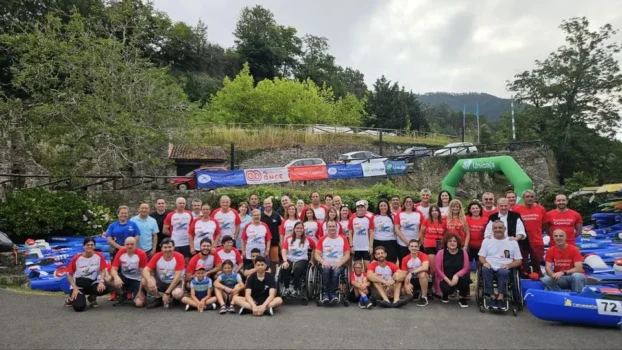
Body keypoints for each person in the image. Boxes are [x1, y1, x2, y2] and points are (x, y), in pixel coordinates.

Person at [478, 220, 522, 310]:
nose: (498, 230)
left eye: (500, 228)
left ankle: (501, 296)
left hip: (505, 268)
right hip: (490, 267)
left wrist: (509, 265)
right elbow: (481, 257)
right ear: (492, 229)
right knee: (485, 269)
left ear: (505, 229)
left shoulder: (512, 242)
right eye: (495, 228)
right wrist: (485, 263)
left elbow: (518, 261)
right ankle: (492, 296)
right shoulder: (487, 241)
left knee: (503, 271)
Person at [64, 237, 110, 311]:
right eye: (87, 245)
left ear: (94, 246)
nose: (90, 246)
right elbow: (69, 274)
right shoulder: (77, 258)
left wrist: (101, 281)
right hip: (79, 285)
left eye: (92, 245)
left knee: (106, 287)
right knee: (79, 307)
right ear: (83, 246)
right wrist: (75, 288)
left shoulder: (99, 256)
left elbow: (103, 270)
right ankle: (71, 299)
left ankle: (92, 297)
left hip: (92, 283)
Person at [142, 238, 185, 309]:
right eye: (165, 247)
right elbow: (145, 270)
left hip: (175, 282)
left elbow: (177, 277)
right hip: (161, 282)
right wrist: (149, 281)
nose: (167, 249)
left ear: (174, 247)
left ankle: (173, 298)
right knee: (144, 281)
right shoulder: (157, 256)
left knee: (178, 294)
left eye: (170, 247)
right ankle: (158, 298)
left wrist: (167, 292)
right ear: (161, 248)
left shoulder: (179, 256)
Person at [315, 221, 351, 304]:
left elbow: (347, 254)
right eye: (330, 227)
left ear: (337, 227)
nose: (332, 228)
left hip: (338, 264)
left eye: (333, 226)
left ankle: (333, 293)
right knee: (326, 271)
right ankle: (325, 293)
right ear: (327, 228)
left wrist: (340, 262)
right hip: (326, 264)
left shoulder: (343, 238)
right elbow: (317, 254)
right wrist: (322, 261)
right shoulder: (322, 239)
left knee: (336, 272)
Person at [514, 190, 547, 276]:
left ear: (534, 198)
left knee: (537, 263)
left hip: (537, 240)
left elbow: (545, 224)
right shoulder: (517, 209)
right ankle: (524, 279)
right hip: (522, 241)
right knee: (523, 263)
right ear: (523, 198)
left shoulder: (541, 209)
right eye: (527, 197)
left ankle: (538, 280)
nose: (530, 198)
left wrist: (538, 232)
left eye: (532, 196)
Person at [109, 237, 148, 307]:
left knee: (139, 304)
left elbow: (143, 274)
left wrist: (140, 291)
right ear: (124, 244)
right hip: (125, 277)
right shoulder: (121, 252)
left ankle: (137, 294)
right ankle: (122, 294)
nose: (129, 246)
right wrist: (116, 277)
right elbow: (113, 269)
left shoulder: (141, 254)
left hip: (137, 279)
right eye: (127, 244)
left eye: (132, 244)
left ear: (136, 244)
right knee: (109, 278)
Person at [435, 234, 471, 307]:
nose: (452, 243)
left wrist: (457, 275)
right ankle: (445, 294)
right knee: (447, 289)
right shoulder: (441, 252)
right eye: (450, 241)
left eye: (454, 241)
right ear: (446, 243)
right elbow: (438, 269)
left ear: (458, 243)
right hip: (446, 277)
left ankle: (462, 298)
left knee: (465, 279)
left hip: (459, 277)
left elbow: (466, 267)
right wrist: (448, 281)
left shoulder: (463, 252)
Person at [281, 222, 315, 297]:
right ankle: (287, 288)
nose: (299, 230)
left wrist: (312, 259)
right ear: (294, 229)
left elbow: (315, 248)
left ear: (303, 230)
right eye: (297, 228)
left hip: (302, 260)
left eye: (301, 228)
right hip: (290, 259)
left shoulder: (307, 239)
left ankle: (295, 289)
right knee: (285, 267)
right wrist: (285, 261)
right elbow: (284, 250)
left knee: (297, 268)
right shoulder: (289, 238)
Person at [420, 204, 445, 294]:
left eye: (436, 210)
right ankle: (431, 286)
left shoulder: (443, 221)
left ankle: (438, 286)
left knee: (440, 267)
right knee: (433, 268)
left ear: (439, 212)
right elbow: (421, 233)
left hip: (440, 246)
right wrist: (423, 244)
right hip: (429, 245)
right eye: (432, 211)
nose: (434, 212)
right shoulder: (426, 221)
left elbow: (446, 234)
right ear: (430, 212)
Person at [401, 239, 430, 307]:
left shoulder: (423, 255)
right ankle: (416, 291)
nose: (414, 248)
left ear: (419, 247)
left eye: (416, 246)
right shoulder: (405, 259)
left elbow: (425, 267)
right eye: (412, 246)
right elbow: (404, 273)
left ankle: (424, 297)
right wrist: (406, 284)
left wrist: (412, 273)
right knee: (403, 291)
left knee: (422, 274)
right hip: (412, 280)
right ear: (409, 247)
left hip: (424, 279)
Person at [373, 199, 403, 264]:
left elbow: (397, 228)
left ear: (388, 206)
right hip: (378, 241)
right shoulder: (375, 217)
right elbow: (372, 230)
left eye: (385, 205)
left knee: (391, 262)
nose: (383, 207)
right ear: (378, 207)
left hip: (391, 242)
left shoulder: (393, 216)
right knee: (378, 262)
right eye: (381, 206)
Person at [348, 200, 374, 269]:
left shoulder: (369, 219)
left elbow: (371, 233)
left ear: (365, 208)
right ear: (356, 209)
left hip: (366, 247)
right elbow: (350, 233)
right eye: (358, 207)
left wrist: (371, 246)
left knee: (368, 268)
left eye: (362, 207)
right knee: (357, 268)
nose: (360, 209)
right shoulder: (352, 219)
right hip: (356, 247)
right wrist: (351, 246)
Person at [261, 198, 282, 273]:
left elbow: (280, 229)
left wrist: (280, 241)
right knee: (263, 262)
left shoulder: (276, 215)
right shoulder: (260, 215)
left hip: (274, 243)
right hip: (262, 243)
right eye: (266, 204)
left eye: (269, 203)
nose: (267, 205)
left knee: (274, 262)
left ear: (272, 204)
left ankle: (272, 278)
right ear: (263, 205)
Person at [465, 201, 487, 268]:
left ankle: (478, 278)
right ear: (470, 210)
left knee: (479, 267)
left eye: (477, 208)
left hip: (481, 247)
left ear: (480, 209)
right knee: (467, 266)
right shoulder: (466, 219)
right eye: (473, 208)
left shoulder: (485, 219)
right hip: (469, 247)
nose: (475, 210)